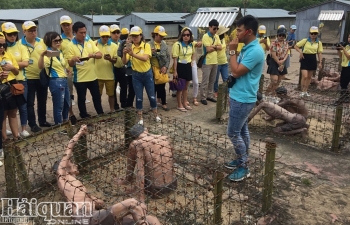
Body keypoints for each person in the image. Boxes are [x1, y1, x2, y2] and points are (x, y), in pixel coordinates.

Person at [53, 125, 162, 225]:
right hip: (85, 219)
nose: (74, 163)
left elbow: (99, 203)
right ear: (64, 167)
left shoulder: (75, 185)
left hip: (96, 218)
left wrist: (97, 201)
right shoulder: (62, 177)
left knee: (151, 219)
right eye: (70, 162)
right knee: (133, 203)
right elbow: (69, 147)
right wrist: (80, 132)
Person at [224, 15, 265, 182]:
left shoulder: (255, 51)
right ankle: (242, 158)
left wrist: (232, 51)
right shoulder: (248, 47)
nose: (236, 33)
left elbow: (236, 71)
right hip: (238, 95)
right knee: (242, 130)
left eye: (239, 30)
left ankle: (244, 166)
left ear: (248, 32)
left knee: (233, 133)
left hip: (244, 98)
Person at [116, 124, 177, 201]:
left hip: (155, 190)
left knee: (144, 163)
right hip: (173, 185)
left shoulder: (137, 144)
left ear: (134, 137)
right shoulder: (164, 138)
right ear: (146, 130)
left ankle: (128, 180)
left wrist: (140, 197)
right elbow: (173, 160)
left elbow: (140, 171)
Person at [122, 26, 161, 125]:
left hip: (147, 74)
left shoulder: (146, 46)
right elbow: (124, 62)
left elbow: (145, 58)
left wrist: (132, 54)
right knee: (139, 97)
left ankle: (156, 115)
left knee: (152, 96)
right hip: (136, 75)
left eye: (137, 36)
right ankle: (140, 118)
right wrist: (124, 54)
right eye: (133, 36)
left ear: (141, 35)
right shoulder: (130, 47)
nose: (135, 38)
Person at [66, 21, 104, 118]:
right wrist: (74, 59)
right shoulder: (70, 46)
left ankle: (101, 114)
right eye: (81, 33)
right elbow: (69, 63)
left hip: (92, 76)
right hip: (80, 78)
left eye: (85, 32)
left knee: (96, 96)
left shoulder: (89, 41)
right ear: (75, 32)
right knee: (81, 98)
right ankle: (83, 114)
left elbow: (100, 55)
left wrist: (93, 55)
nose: (83, 35)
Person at [19, 21, 52, 132]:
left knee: (42, 100)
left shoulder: (41, 42)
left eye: (34, 30)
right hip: (28, 77)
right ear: (24, 31)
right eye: (30, 31)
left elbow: (48, 54)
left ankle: (42, 120)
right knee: (30, 102)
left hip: (41, 76)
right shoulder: (20, 44)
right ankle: (32, 124)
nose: (33, 33)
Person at [1, 22, 30, 137]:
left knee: (14, 112)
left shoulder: (9, 54)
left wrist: (12, 67)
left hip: (13, 83)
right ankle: (5, 139)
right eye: (9, 34)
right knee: (3, 114)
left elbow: (18, 69)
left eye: (14, 34)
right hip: (1, 85)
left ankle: (16, 136)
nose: (13, 36)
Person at [38, 32, 70, 125]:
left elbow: (60, 65)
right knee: (59, 105)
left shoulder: (59, 52)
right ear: (49, 41)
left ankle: (65, 122)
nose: (58, 42)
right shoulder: (48, 53)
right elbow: (41, 66)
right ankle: (59, 125)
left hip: (64, 79)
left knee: (67, 103)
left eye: (60, 40)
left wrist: (66, 70)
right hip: (56, 80)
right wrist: (41, 55)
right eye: (55, 41)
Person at [294, 26, 323, 97]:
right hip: (305, 58)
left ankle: (305, 91)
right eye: (312, 33)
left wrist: (320, 62)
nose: (313, 35)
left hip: (312, 58)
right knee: (305, 76)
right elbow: (296, 46)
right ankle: (302, 90)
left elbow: (319, 53)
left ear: (317, 34)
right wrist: (300, 52)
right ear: (309, 34)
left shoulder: (319, 43)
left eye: (315, 33)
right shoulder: (305, 40)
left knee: (309, 77)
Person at [172, 27, 195, 112]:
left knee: (186, 87)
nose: (186, 36)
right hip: (180, 66)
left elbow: (193, 53)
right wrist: (175, 71)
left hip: (188, 66)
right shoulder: (177, 45)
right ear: (181, 36)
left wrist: (192, 61)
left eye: (188, 35)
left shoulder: (191, 44)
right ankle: (179, 104)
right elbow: (175, 59)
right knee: (180, 87)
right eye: (184, 35)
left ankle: (185, 102)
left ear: (190, 36)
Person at [95, 25, 118, 112]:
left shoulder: (114, 46)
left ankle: (112, 109)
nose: (105, 38)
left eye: (107, 36)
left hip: (110, 75)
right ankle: (100, 111)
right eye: (103, 36)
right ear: (100, 35)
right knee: (98, 95)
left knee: (111, 94)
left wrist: (110, 59)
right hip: (97, 75)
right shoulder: (94, 44)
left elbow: (115, 61)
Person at [60, 15, 77, 125]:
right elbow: (59, 57)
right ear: (61, 26)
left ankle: (83, 112)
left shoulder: (78, 37)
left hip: (81, 69)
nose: (66, 27)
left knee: (81, 93)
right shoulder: (59, 40)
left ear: (72, 24)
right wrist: (65, 68)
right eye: (64, 25)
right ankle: (70, 113)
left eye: (68, 24)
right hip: (68, 70)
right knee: (69, 93)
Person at [200, 19, 222, 105]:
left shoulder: (216, 36)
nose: (216, 30)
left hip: (215, 61)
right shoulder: (205, 36)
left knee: (212, 80)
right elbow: (208, 49)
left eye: (217, 28)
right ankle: (203, 97)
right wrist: (216, 47)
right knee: (205, 81)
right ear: (209, 27)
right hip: (207, 62)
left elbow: (221, 47)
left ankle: (209, 95)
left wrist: (214, 46)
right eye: (214, 28)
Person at [150, 26, 170, 111]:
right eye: (160, 36)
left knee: (162, 86)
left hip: (162, 68)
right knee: (153, 87)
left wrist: (166, 66)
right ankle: (153, 104)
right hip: (152, 69)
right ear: (155, 35)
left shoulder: (164, 44)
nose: (162, 37)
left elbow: (168, 57)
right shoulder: (149, 45)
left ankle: (164, 103)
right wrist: (150, 53)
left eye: (163, 36)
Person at [265, 27, 289, 99]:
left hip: (282, 61)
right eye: (280, 35)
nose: (281, 37)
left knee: (279, 81)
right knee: (274, 81)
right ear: (277, 35)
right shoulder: (274, 44)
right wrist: (278, 62)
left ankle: (273, 95)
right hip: (274, 62)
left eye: (283, 35)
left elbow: (287, 53)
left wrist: (283, 60)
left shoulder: (286, 43)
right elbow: (273, 54)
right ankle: (266, 94)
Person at [110, 24, 128, 110]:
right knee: (113, 88)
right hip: (113, 68)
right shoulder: (109, 44)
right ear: (110, 33)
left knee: (124, 86)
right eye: (114, 33)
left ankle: (124, 104)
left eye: (118, 32)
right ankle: (115, 106)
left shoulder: (121, 43)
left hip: (122, 67)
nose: (116, 34)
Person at [117, 28, 135, 108]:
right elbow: (120, 54)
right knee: (127, 87)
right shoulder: (124, 44)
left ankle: (129, 104)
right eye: (130, 37)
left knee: (132, 89)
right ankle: (126, 104)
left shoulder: (139, 44)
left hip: (135, 69)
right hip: (128, 68)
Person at [213, 26, 229, 97]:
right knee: (215, 79)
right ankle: (216, 91)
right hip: (217, 62)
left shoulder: (223, 40)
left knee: (226, 78)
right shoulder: (215, 40)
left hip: (224, 62)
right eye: (224, 33)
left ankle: (228, 92)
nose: (225, 34)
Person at [334, 34, 350, 104]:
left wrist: (343, 49)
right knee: (343, 83)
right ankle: (345, 97)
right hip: (344, 66)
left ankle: (342, 98)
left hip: (349, 67)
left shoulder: (345, 47)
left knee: (344, 83)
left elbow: (349, 57)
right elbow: (341, 56)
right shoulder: (347, 46)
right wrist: (338, 50)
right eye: (349, 37)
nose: (349, 38)